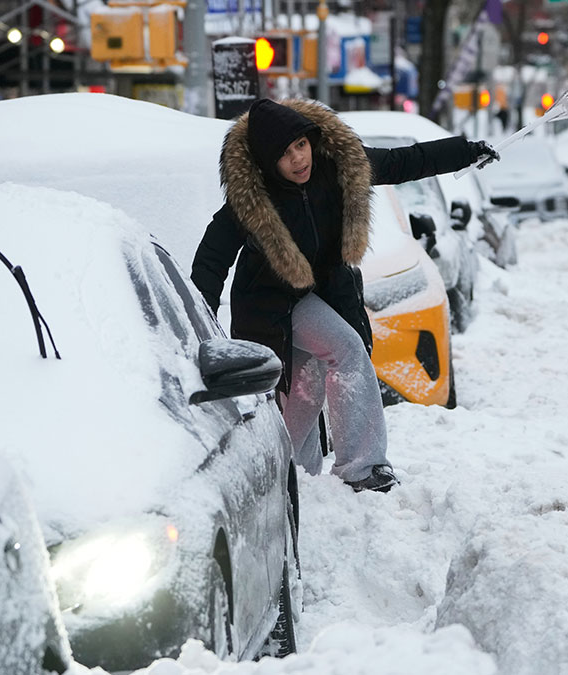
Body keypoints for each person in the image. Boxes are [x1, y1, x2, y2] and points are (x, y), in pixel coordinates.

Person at [191, 98, 498, 493]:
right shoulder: (251, 199)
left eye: (301, 145)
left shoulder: (338, 165)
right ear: (268, 162)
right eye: (285, 154)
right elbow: (211, 260)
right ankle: (360, 468)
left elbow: (405, 161)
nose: (298, 159)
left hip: (322, 292)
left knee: (306, 388)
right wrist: (199, 324)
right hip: (268, 304)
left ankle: (292, 473)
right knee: (340, 353)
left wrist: (466, 152)